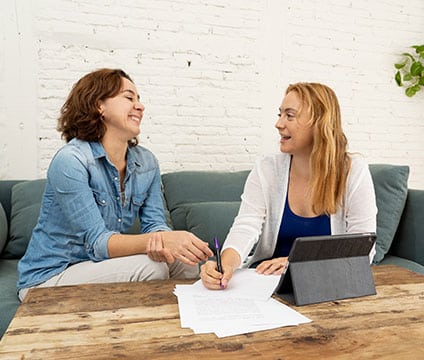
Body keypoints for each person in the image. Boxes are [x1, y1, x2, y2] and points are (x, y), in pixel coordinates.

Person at [17, 68, 213, 300]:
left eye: (139, 99)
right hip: (51, 276)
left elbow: (154, 224)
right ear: (99, 105)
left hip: (100, 267)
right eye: (129, 97)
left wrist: (169, 243)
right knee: (151, 268)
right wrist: (163, 240)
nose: (139, 106)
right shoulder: (71, 161)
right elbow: (98, 242)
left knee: (186, 262)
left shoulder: (146, 162)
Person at [200, 82, 377, 290]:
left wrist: (297, 265)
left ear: (320, 123)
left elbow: (363, 248)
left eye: (289, 116)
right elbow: (246, 226)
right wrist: (226, 263)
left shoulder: (353, 171)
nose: (278, 124)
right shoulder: (266, 168)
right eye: (280, 114)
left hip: (324, 284)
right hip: (266, 283)